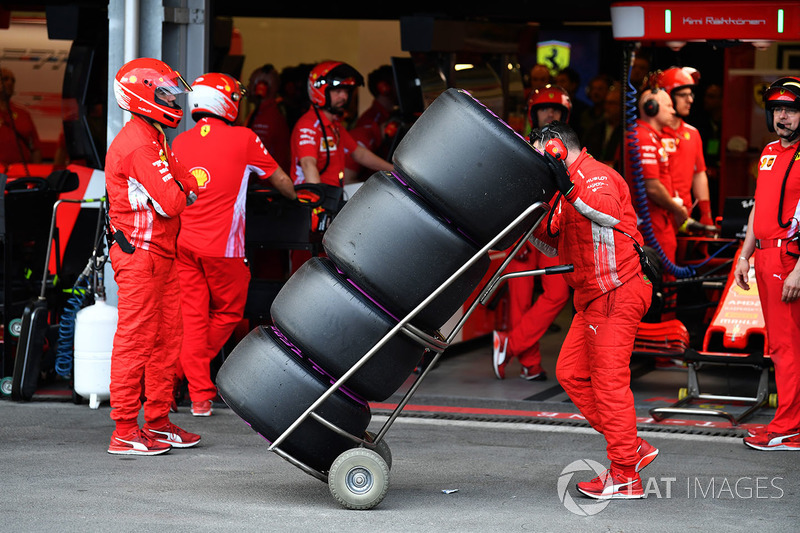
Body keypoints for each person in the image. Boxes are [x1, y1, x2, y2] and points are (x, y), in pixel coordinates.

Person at [529, 120, 658, 498]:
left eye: (539, 152)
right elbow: (553, 245)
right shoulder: (564, 190)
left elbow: (605, 211)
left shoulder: (594, 176)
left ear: (554, 148)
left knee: (609, 386)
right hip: (592, 298)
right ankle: (632, 446)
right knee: (570, 372)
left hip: (616, 291)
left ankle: (624, 475)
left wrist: (566, 187)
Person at [172, 72, 297, 417]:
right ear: (225, 102)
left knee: (193, 319)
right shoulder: (243, 138)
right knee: (227, 312)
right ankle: (184, 377)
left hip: (183, 244)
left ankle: (197, 395)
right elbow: (281, 180)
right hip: (223, 248)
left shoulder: (179, 142)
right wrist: (298, 199)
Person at [105, 57, 201, 455]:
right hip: (140, 257)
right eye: (163, 93)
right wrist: (185, 189)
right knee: (136, 341)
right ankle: (125, 429)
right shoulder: (140, 144)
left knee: (166, 340)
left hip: (161, 254)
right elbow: (176, 198)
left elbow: (183, 187)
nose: (171, 100)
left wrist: (185, 189)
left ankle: (158, 421)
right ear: (143, 96)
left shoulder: (154, 135)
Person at [734, 76, 800, 452]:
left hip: (789, 258)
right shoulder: (769, 152)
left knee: (786, 347)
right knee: (783, 345)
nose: (782, 117)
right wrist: (744, 255)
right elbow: (759, 205)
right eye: (777, 110)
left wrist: (799, 267)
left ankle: (788, 426)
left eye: (790, 110)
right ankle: (791, 422)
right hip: (765, 255)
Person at [492, 85, 573, 382]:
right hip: (525, 231)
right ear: (533, 112)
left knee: (558, 293)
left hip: (554, 231)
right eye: (544, 109)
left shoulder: (570, 148)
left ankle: (509, 345)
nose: (550, 113)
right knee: (519, 299)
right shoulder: (519, 145)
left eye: (556, 110)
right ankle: (530, 363)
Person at [290, 60, 393, 188]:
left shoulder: (334, 125)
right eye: (337, 91)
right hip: (313, 202)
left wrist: (395, 171)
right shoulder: (308, 125)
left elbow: (359, 153)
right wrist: (317, 201)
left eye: (346, 91)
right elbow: (307, 164)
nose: (344, 97)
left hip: (331, 198)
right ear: (320, 91)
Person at [629, 87, 688, 267]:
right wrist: (678, 210)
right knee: (664, 280)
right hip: (650, 222)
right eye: (668, 105)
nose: (673, 110)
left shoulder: (650, 137)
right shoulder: (643, 138)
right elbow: (652, 187)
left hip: (658, 219)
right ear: (651, 107)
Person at [653, 67, 713, 227]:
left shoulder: (692, 133)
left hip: (685, 218)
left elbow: (699, 175)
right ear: (667, 96)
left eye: (690, 94)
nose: (690, 100)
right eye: (683, 95)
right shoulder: (648, 134)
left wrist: (706, 214)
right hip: (655, 218)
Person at [343, 64, 398, 185]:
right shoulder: (370, 123)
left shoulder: (388, 116)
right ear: (384, 88)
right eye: (397, 83)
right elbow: (348, 178)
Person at [242, 64, 292, 171]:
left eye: (251, 83)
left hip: (265, 183)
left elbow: (257, 156)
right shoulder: (267, 113)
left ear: (261, 87)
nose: (248, 87)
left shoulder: (267, 118)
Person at [0, 67, 42, 171]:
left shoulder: (23, 114)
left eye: (13, 80)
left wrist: (35, 173)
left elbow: (35, 148)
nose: (10, 83)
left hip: (20, 174)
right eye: (5, 79)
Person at [583, 83, 624, 172]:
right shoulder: (595, 128)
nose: (607, 107)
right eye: (606, 103)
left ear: (622, 106)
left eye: (612, 103)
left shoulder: (628, 131)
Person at [555, 67, 589, 137]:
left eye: (562, 81)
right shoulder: (552, 107)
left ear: (573, 85)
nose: (558, 85)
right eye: (556, 82)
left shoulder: (583, 110)